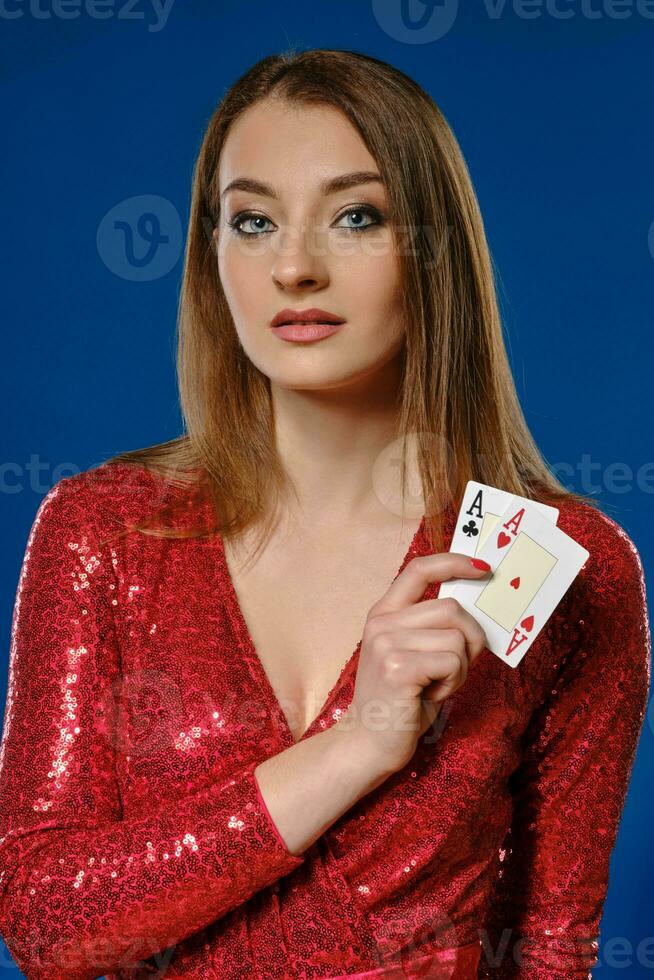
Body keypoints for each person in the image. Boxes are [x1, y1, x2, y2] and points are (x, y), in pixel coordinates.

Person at [0, 48, 650, 980]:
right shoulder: (105, 532)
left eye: (356, 216)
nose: (296, 266)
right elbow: (47, 924)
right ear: (209, 254)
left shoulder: (550, 563)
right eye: (254, 220)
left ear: (432, 248)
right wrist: (358, 747)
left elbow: (549, 948)